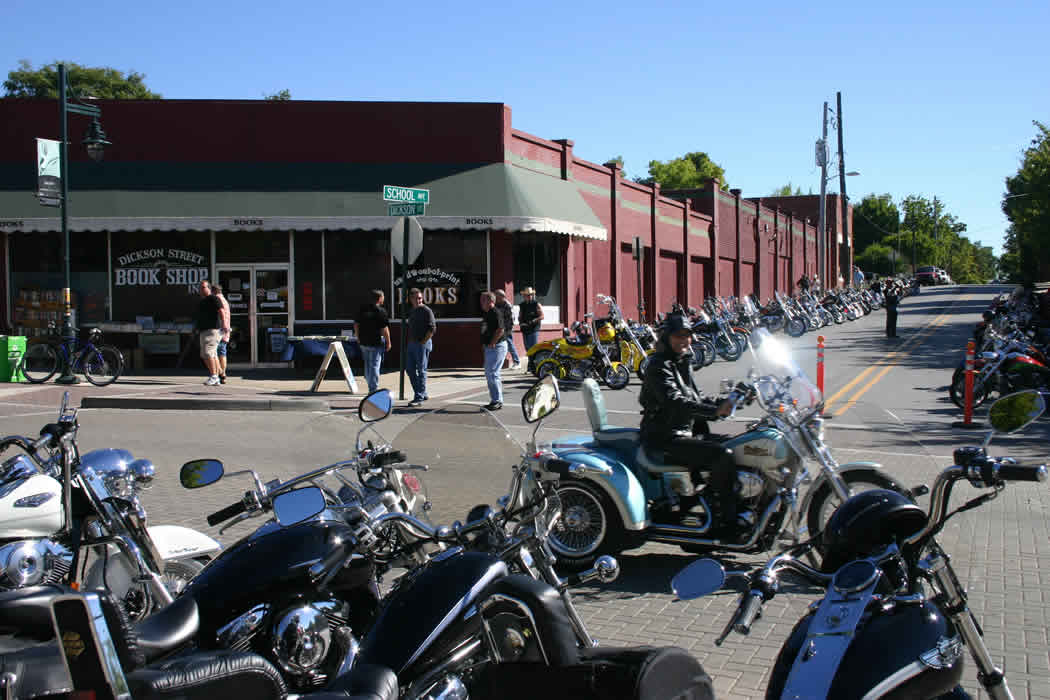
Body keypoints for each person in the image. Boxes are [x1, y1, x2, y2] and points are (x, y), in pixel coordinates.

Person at [639, 313, 739, 538]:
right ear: (666, 338)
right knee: (723, 455)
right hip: (664, 437)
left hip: (686, 432)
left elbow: (697, 398)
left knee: (741, 444)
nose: (684, 340)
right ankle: (726, 521)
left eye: (687, 335)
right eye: (678, 335)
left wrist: (729, 401)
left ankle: (731, 502)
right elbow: (674, 401)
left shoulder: (682, 362)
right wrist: (714, 411)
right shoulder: (658, 366)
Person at [354, 290, 391, 394]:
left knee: (367, 364)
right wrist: (389, 342)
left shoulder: (363, 309)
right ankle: (373, 389)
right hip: (376, 342)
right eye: (383, 297)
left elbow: (356, 324)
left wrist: (358, 337)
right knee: (374, 365)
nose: (383, 299)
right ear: (379, 298)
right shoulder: (381, 311)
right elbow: (384, 329)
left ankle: (370, 382)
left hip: (364, 341)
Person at [405, 287, 436, 407]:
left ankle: (418, 397)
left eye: (420, 298)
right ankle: (422, 392)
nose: (418, 300)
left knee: (421, 370)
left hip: (422, 344)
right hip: (412, 344)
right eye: (416, 298)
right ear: (411, 299)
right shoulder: (412, 311)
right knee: (409, 369)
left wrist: (424, 341)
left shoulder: (426, 310)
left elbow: (432, 328)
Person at [480, 291, 506, 411]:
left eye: (483, 300)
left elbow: (501, 329)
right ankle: (495, 399)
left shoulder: (495, 312)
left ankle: (497, 401)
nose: (481, 302)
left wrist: (492, 343)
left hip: (497, 346)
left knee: (493, 373)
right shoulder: (487, 313)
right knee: (490, 373)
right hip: (490, 347)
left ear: (491, 301)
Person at [195, 280, 224, 386]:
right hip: (203, 330)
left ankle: (214, 376)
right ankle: (217, 376)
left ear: (209, 288)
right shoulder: (203, 301)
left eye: (203, 287)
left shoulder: (214, 298)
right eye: (200, 287)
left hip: (213, 330)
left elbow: (222, 311)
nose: (201, 289)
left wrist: (225, 325)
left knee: (208, 353)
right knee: (207, 354)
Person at [494, 290, 520, 370]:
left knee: (509, 344)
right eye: (495, 296)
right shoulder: (497, 304)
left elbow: (511, 319)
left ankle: (517, 362)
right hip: (499, 328)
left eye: (497, 296)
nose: (496, 298)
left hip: (507, 329)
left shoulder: (507, 305)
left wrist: (507, 330)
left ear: (502, 296)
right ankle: (499, 363)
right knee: (500, 346)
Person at [212, 283, 231, 384]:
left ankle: (220, 374)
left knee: (214, 352)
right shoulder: (225, 301)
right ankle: (223, 372)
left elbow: (220, 315)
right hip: (225, 330)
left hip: (218, 330)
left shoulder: (217, 300)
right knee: (222, 352)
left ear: (214, 291)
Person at [518, 286, 544, 351]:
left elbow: (542, 316)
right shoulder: (522, 305)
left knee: (533, 347)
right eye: (527, 295)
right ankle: (530, 360)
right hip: (525, 328)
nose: (529, 296)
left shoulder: (536, 304)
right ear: (524, 296)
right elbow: (520, 316)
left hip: (533, 328)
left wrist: (533, 321)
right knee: (527, 347)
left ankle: (534, 360)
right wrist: (520, 323)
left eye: (530, 295)